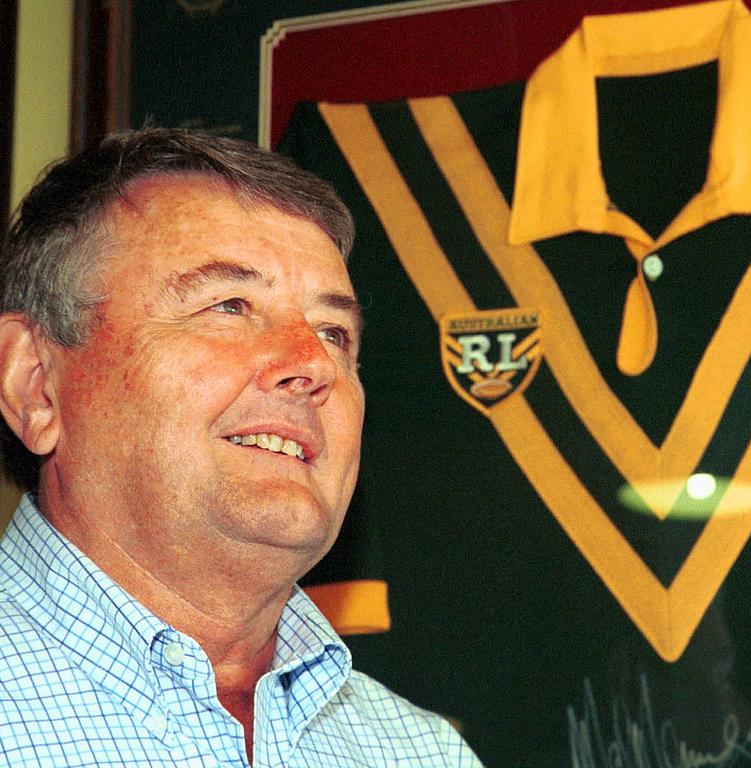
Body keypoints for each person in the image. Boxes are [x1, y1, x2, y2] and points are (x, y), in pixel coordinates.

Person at [0, 129, 483, 767]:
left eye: (335, 333)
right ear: (36, 384)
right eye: (230, 306)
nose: (314, 363)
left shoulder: (421, 754)